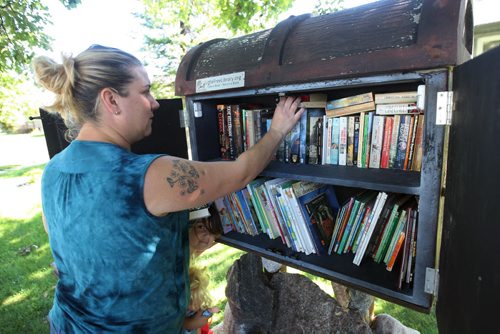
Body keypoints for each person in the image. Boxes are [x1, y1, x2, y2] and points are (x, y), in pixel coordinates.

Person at [33, 44, 304, 333]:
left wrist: (182, 241)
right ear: (111, 100)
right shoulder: (148, 174)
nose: (154, 102)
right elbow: (241, 173)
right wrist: (277, 130)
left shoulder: (54, 170)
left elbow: (90, 247)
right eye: (145, 91)